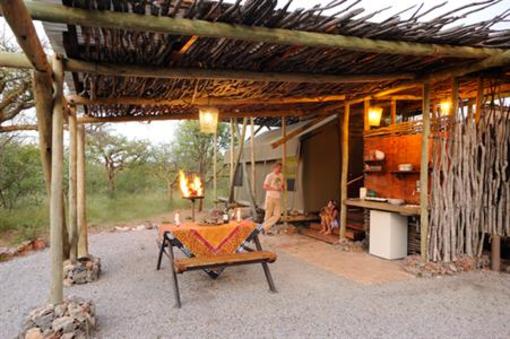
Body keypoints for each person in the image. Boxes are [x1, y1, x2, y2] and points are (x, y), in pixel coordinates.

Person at [262, 162, 284, 234]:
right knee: (268, 213)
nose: (279, 169)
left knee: (277, 215)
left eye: (280, 168)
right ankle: (265, 230)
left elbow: (282, 186)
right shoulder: (269, 176)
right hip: (270, 196)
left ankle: (263, 227)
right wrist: (275, 189)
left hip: (278, 197)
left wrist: (282, 188)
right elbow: (265, 186)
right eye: (278, 167)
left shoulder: (281, 176)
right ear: (274, 168)